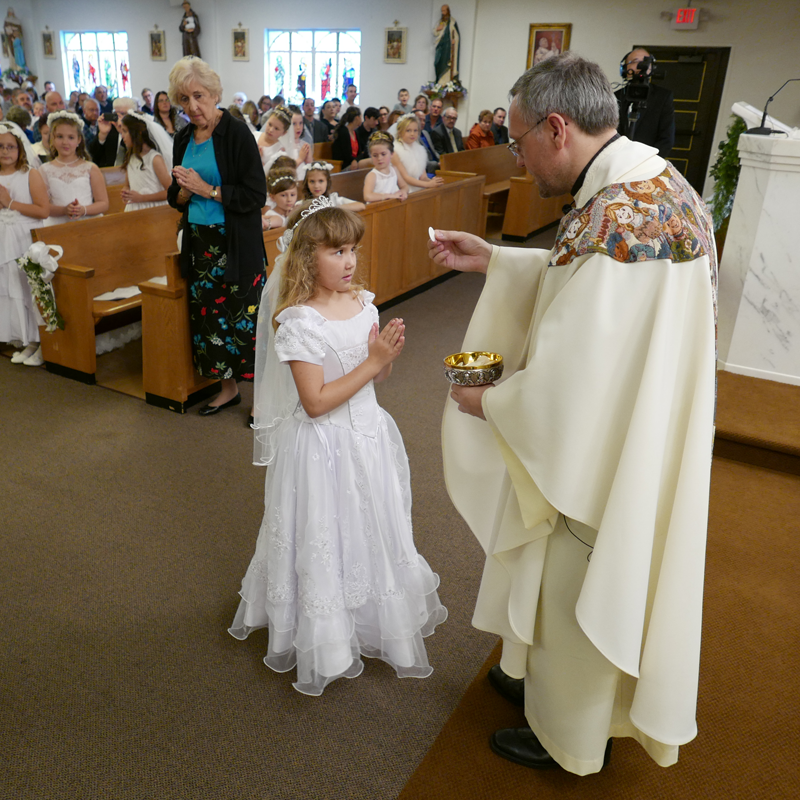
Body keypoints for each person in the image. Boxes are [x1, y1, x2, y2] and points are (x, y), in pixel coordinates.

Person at [429, 52, 717, 776]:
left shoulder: (621, 216)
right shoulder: (648, 180)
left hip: (607, 446)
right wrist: (496, 259)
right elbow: (585, 277)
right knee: (563, 568)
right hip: (636, 423)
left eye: (520, 141)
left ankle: (569, 737)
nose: (520, 160)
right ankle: (534, 678)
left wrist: (487, 400)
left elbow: (573, 377)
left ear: (558, 128)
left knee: (580, 573)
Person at [229, 200, 447, 696]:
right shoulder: (299, 321)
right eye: (336, 252)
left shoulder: (363, 303)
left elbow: (378, 377)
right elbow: (315, 402)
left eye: (353, 250)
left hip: (367, 434)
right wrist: (373, 362)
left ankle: (370, 613)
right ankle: (326, 637)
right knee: (326, 530)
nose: (349, 261)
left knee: (369, 524)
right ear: (308, 258)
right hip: (322, 446)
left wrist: (385, 357)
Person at [167, 56, 267, 417]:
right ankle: (229, 390)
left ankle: (263, 400)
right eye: (183, 99)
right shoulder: (183, 137)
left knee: (246, 322)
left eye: (199, 95)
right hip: (200, 245)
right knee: (212, 323)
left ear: (214, 94)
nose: (192, 106)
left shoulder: (236, 133)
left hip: (235, 243)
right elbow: (174, 195)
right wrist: (183, 192)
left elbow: (256, 195)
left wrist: (207, 189)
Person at [0, 121, 49, 367]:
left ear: (20, 149)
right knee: (9, 287)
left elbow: (43, 210)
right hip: (2, 236)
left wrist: (9, 203)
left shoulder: (30, 174)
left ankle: (39, 339)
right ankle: (24, 338)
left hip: (23, 235)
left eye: (11, 146)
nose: (5, 151)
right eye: (0, 146)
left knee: (27, 288)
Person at [41, 111, 109, 226]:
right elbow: (43, 206)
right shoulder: (44, 170)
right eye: (59, 136)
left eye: (71, 137)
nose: (65, 142)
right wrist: (63, 210)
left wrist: (84, 210)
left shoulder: (90, 168)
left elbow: (103, 203)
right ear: (52, 138)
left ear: (78, 140)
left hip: (88, 223)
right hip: (57, 225)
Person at [615, 48, 675, 157]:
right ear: (624, 68)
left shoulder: (663, 97)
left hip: (647, 162)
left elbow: (666, 139)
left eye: (645, 61)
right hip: (617, 160)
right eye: (635, 61)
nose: (640, 66)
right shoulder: (615, 97)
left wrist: (647, 164)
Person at [119, 113, 171, 211]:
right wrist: (126, 191)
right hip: (135, 208)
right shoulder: (131, 158)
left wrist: (141, 198)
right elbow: (127, 184)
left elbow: (170, 192)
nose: (122, 136)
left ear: (138, 132)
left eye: (125, 131)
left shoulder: (155, 159)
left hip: (153, 209)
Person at [392, 115, 444, 193]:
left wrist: (432, 182)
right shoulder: (395, 151)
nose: (412, 134)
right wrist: (428, 185)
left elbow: (423, 177)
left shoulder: (420, 149)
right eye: (408, 130)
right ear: (400, 132)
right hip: (402, 189)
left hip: (418, 186)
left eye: (415, 130)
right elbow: (406, 177)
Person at [88, 96, 137, 167]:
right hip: (108, 172)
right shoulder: (109, 128)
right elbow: (92, 156)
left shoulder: (137, 130)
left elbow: (134, 153)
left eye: (123, 114)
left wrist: (123, 132)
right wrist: (102, 135)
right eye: (116, 114)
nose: (119, 117)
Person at [363, 131, 408, 203]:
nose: (379, 158)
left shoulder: (394, 170)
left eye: (383, 154)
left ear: (392, 154)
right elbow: (367, 196)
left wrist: (403, 192)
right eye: (375, 155)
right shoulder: (372, 175)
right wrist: (390, 196)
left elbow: (404, 186)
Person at [255, 105, 293, 173]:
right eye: (269, 124)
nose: (271, 130)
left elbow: (271, 176)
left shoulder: (279, 151)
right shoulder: (254, 135)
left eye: (276, 128)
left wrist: (259, 160)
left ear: (283, 133)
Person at [433, 4, 460, 83]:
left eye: (444, 10)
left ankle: (446, 81)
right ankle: (439, 80)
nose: (443, 12)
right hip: (441, 45)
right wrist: (438, 29)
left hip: (449, 46)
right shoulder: (440, 22)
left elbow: (456, 34)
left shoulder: (452, 21)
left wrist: (454, 40)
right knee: (437, 62)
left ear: (448, 11)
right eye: (442, 11)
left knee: (448, 63)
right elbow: (435, 33)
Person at [330, 106, 363, 171]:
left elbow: (360, 153)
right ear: (357, 118)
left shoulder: (355, 132)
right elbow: (346, 155)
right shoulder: (343, 132)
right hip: (344, 165)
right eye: (361, 117)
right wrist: (355, 161)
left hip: (354, 163)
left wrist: (356, 160)